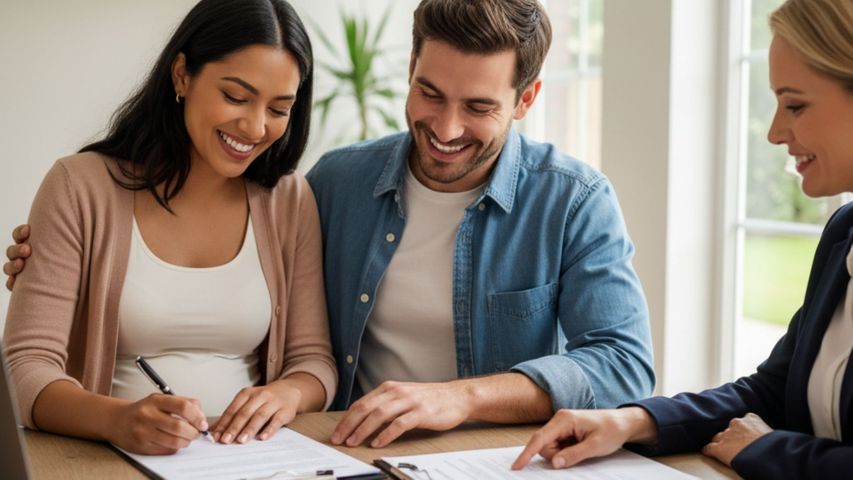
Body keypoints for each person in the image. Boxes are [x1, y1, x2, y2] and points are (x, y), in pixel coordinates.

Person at [6, 0, 655, 449]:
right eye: (430, 93)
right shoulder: (333, 186)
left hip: (492, 458)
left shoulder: (572, 200)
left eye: (479, 106)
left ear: (526, 100)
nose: (447, 128)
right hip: (344, 455)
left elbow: (625, 366)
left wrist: (463, 398)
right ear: (407, 70)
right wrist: (63, 263)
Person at [511, 0, 853, 478]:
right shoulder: (844, 235)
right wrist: (630, 421)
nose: (775, 132)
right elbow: (771, 391)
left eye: (795, 104)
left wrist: (769, 451)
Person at [1, 0, 336, 455]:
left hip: (249, 462)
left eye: (279, 109)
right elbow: (25, 367)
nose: (255, 127)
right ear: (182, 75)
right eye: (236, 97)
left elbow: (313, 360)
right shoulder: (79, 187)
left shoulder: (288, 199)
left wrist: (287, 393)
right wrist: (116, 419)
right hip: (107, 461)